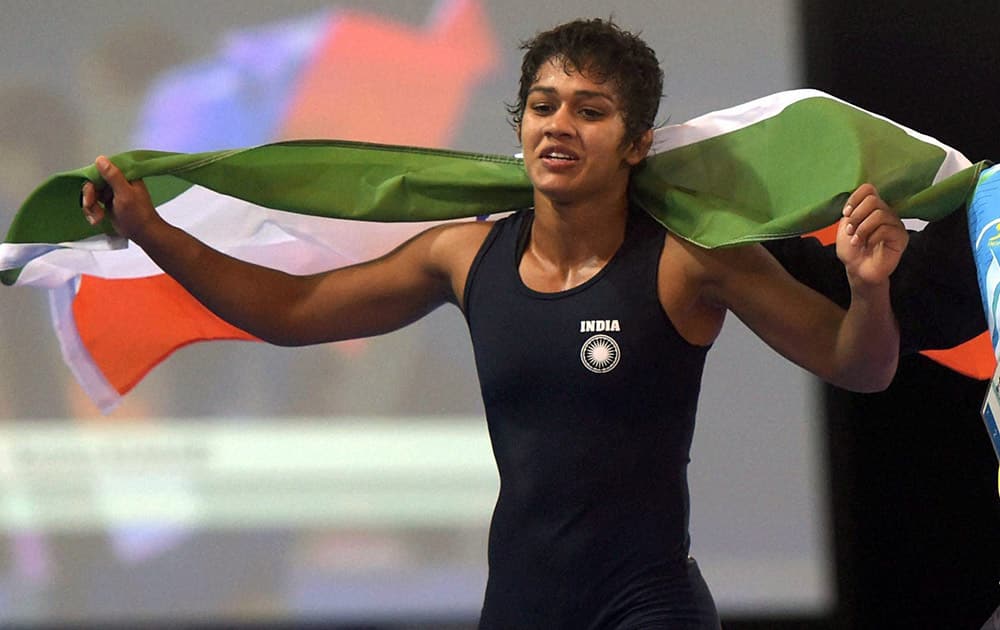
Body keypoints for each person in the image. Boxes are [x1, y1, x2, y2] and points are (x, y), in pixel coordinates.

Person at [81, 18, 910, 630]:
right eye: (544, 105)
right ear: (519, 125)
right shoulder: (461, 257)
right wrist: (153, 232)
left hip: (648, 606)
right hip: (519, 604)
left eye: (590, 111)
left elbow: (859, 365)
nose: (559, 124)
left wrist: (869, 293)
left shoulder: (691, 259)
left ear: (635, 143)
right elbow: (291, 313)